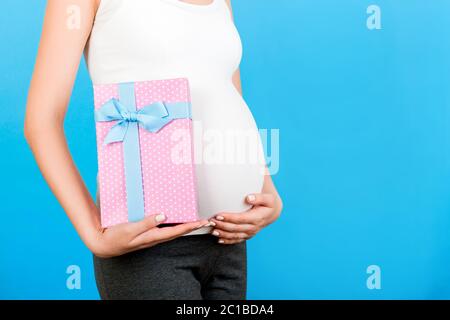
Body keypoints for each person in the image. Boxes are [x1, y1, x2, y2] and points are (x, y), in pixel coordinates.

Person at [25, 0, 282, 300]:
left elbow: (226, 93)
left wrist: (266, 185)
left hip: (229, 236)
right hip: (148, 241)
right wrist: (93, 234)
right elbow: (41, 121)